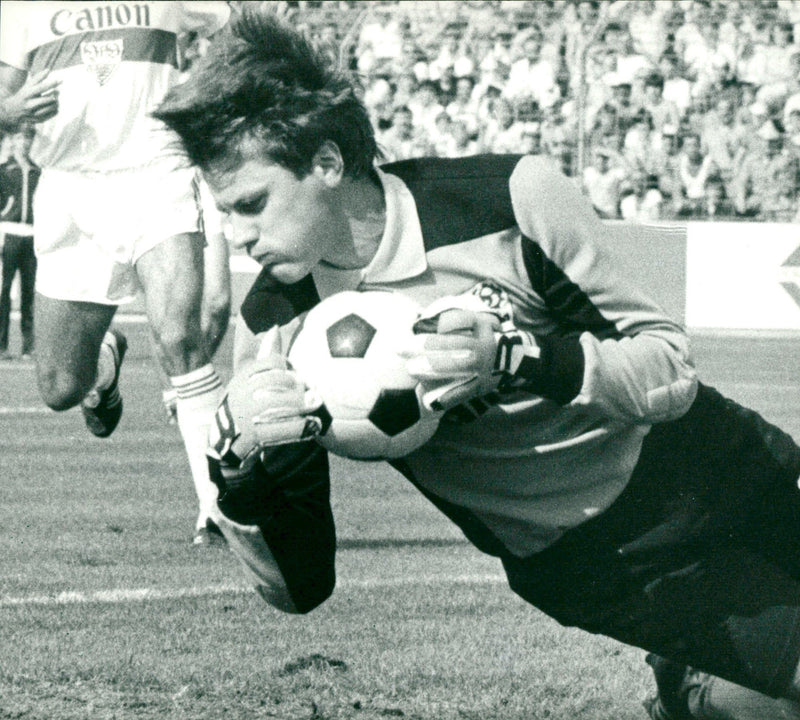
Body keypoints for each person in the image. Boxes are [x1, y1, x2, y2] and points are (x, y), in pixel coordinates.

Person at [155, 6, 800, 712]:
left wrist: (517, 356)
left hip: (719, 464)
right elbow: (300, 589)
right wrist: (237, 470)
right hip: (602, 563)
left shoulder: (508, 199)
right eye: (225, 213)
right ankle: (703, 689)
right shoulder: (275, 335)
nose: (238, 235)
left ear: (327, 163)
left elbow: (669, 370)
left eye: (252, 203)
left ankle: (709, 689)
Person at [0, 0, 229, 545]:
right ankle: (104, 363)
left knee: (180, 336)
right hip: (69, 187)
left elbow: (234, 33)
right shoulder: (20, 8)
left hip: (158, 173)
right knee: (59, 387)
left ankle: (219, 511)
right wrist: (11, 111)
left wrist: (206, 89)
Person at [0, 126, 39, 360]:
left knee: (29, 292)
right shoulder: (4, 170)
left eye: (27, 138)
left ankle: (29, 346)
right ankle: (1, 345)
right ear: (12, 141)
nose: (23, 142)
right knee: (4, 291)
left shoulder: (37, 171)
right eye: (19, 137)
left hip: (32, 235)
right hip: (9, 234)